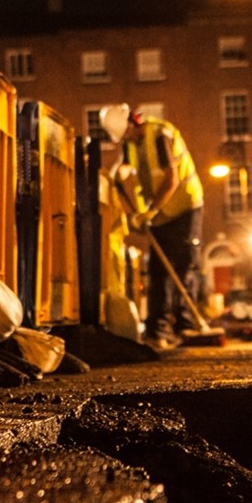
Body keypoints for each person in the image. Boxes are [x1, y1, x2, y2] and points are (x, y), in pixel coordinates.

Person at [105, 105, 206, 350]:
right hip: (160, 215)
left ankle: (186, 326)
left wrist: (150, 210)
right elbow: (126, 165)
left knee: (184, 266)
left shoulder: (161, 135)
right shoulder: (131, 143)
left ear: (134, 123)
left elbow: (172, 178)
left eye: (127, 134)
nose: (126, 139)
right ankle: (157, 330)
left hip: (184, 206)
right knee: (158, 272)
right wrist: (117, 173)